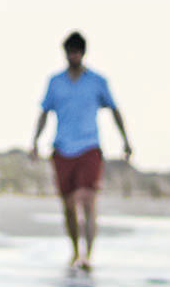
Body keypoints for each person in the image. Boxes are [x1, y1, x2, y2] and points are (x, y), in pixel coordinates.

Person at [35, 30, 133, 271]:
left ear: (83, 53)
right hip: (62, 148)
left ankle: (87, 255)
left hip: (89, 147)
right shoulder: (55, 82)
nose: (73, 56)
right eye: (69, 52)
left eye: (76, 52)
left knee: (88, 200)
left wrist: (126, 141)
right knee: (68, 205)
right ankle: (74, 250)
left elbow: (114, 110)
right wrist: (34, 141)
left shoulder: (98, 82)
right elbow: (44, 113)